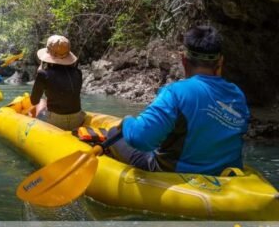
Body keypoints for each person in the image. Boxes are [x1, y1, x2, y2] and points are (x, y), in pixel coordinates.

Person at [110, 25, 250, 176]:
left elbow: (140, 140)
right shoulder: (237, 95)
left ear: (184, 60)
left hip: (175, 172)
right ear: (220, 61)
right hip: (224, 174)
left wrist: (128, 121)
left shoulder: (176, 92)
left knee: (113, 133)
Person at [30, 35, 85, 131]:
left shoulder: (43, 74)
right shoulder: (78, 72)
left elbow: (34, 101)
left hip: (56, 121)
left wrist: (39, 75)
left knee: (39, 106)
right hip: (77, 119)